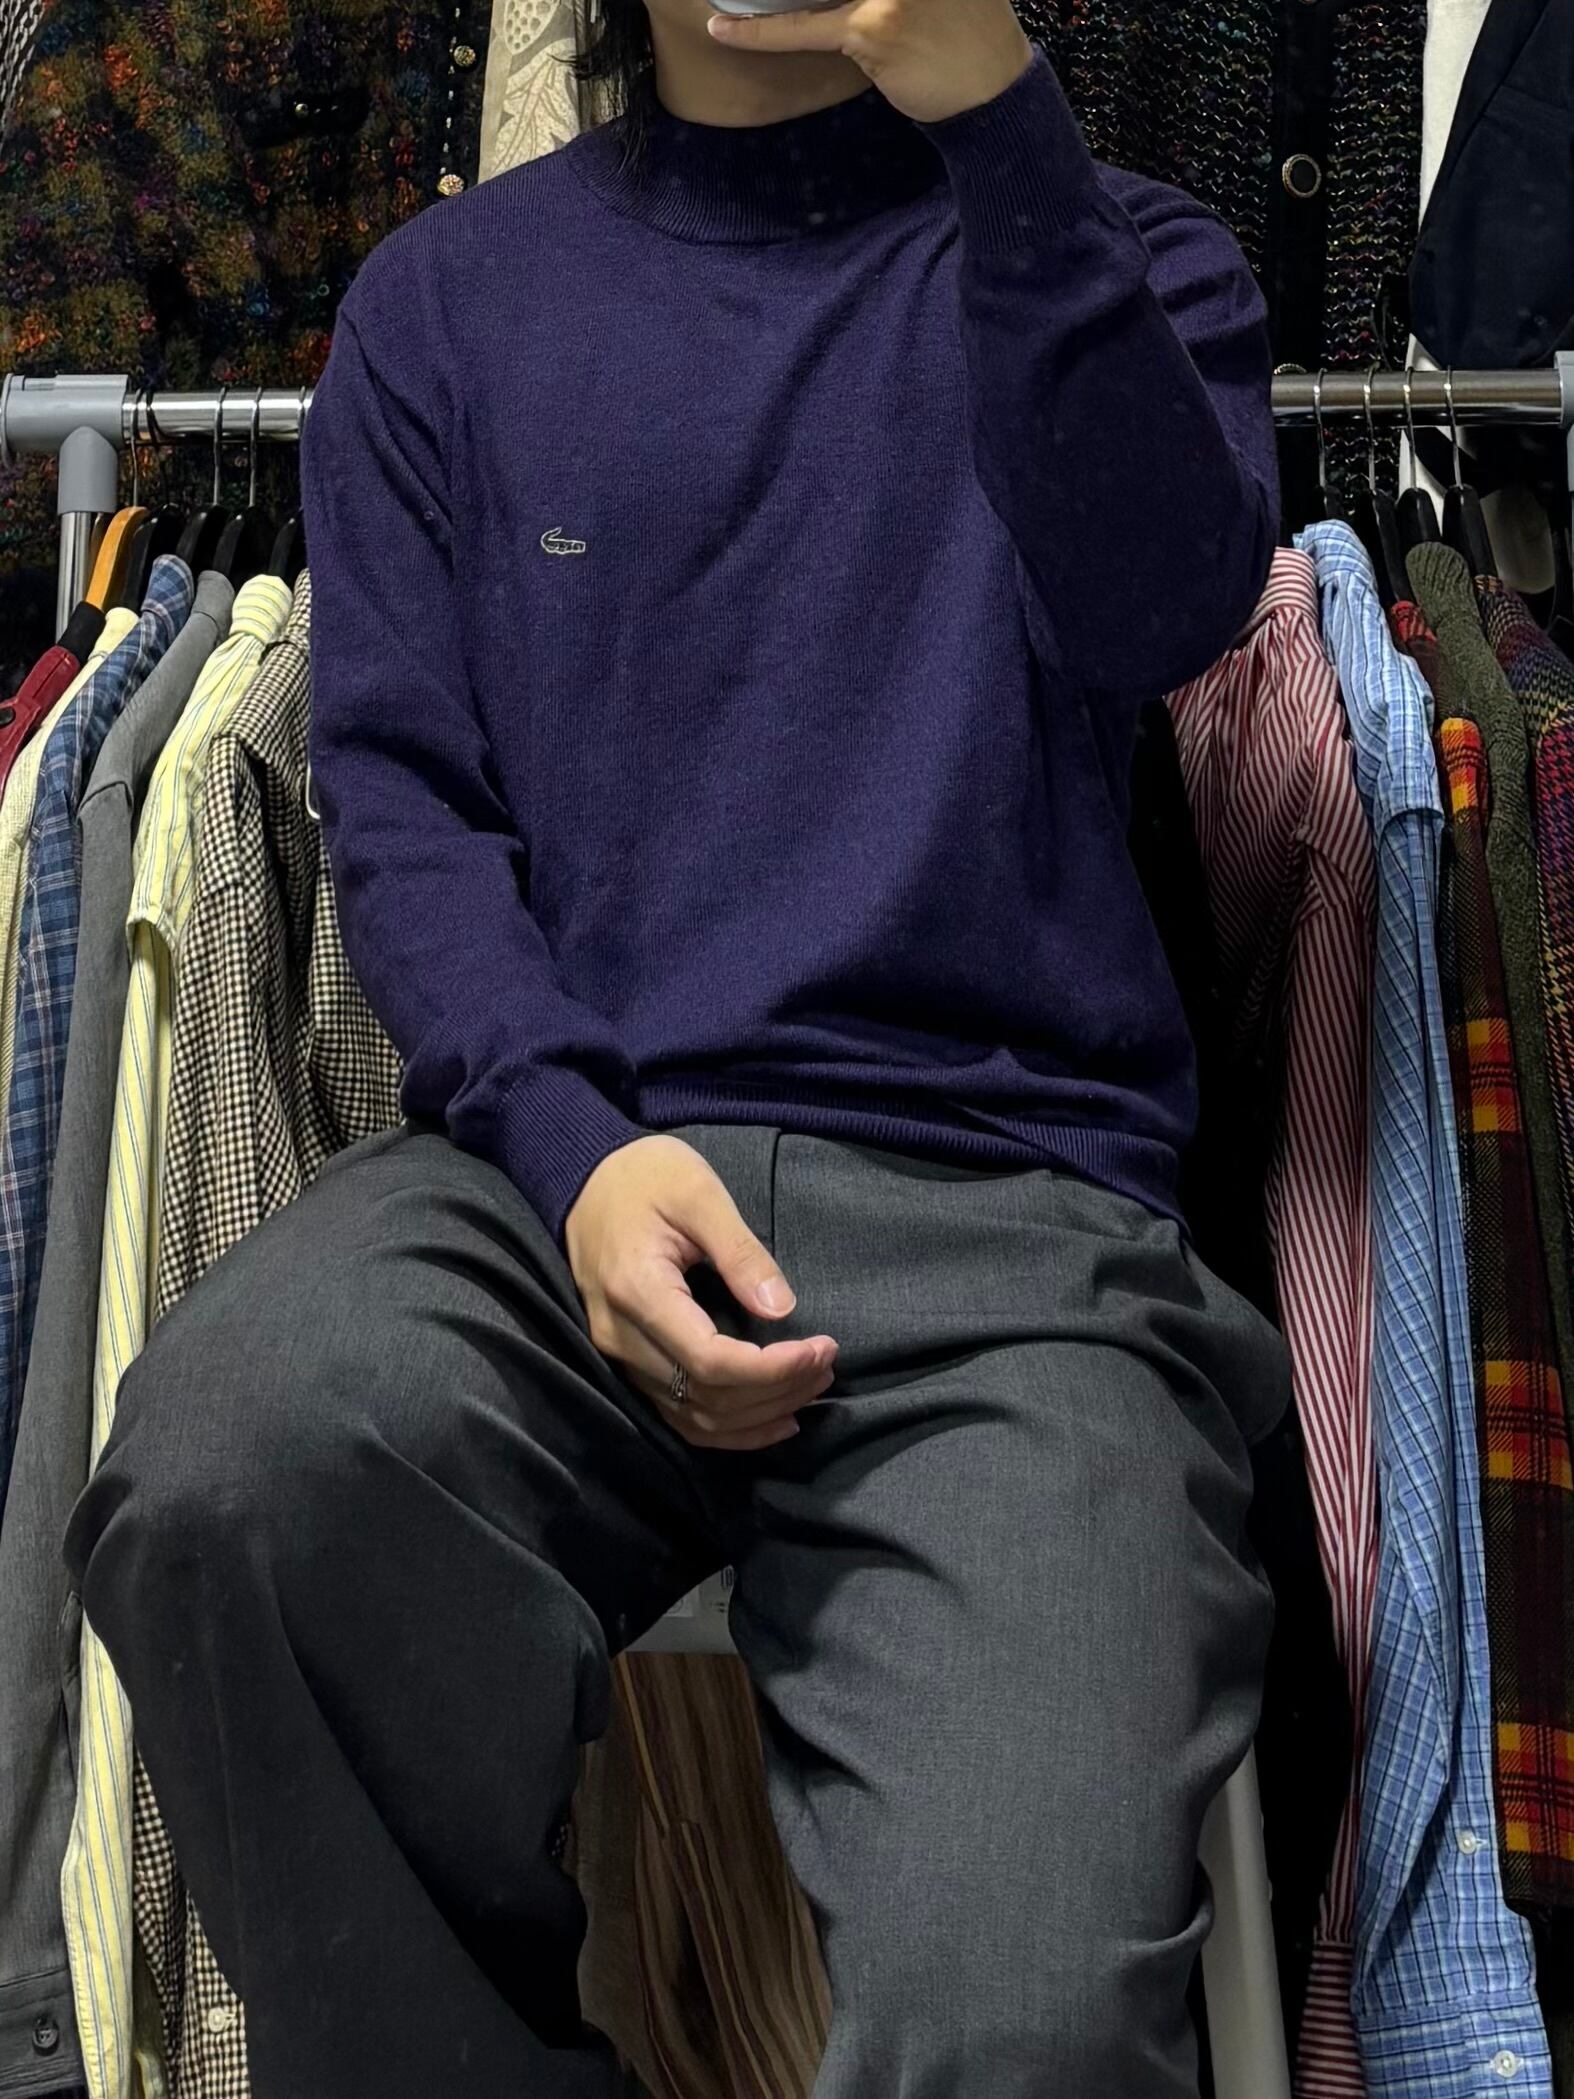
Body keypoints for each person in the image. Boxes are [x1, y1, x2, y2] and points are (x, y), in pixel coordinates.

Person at [63, 0, 1290, 2089]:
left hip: (1012, 1237)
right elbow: (406, 815)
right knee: (225, 1467)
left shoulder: (1128, 252)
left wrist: (997, 121)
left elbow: (1158, 610)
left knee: (1022, 2015)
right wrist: (573, 1150)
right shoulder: (445, 306)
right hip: (559, 1193)